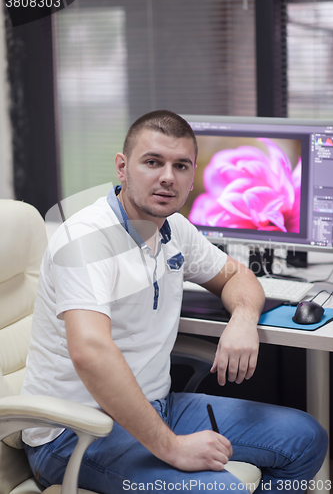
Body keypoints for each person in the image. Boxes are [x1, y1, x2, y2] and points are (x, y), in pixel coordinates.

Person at [22, 110, 327, 493]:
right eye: (152, 162)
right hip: (75, 433)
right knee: (224, 490)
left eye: (180, 166)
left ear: (191, 176)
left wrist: (244, 318)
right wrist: (172, 448)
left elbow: (238, 277)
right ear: (122, 167)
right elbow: (91, 351)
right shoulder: (85, 240)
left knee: (305, 438)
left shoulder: (174, 228)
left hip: (156, 408)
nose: (168, 176)